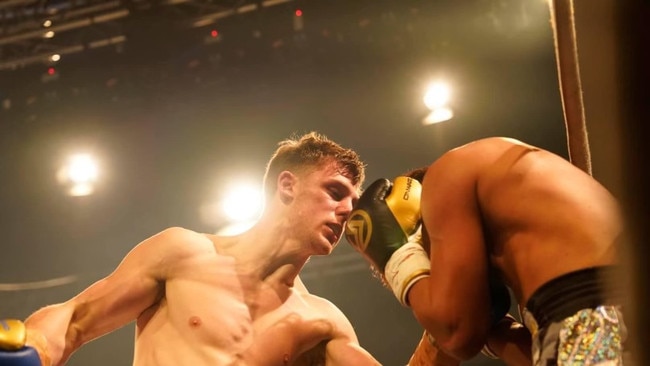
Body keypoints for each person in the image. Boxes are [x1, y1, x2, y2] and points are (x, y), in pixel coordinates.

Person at [0, 131, 384, 366]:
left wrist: (409, 260)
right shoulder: (185, 255)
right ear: (287, 186)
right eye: (335, 192)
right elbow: (75, 319)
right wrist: (34, 350)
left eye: (352, 203)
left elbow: (446, 341)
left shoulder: (321, 322)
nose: (348, 210)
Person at [345, 136, 627, 365]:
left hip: (593, 312)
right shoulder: (524, 206)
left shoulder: (446, 177)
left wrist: (397, 258)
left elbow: (457, 334)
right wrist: (495, 328)